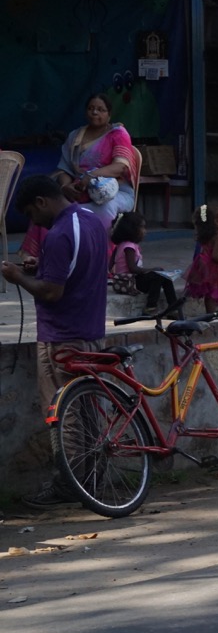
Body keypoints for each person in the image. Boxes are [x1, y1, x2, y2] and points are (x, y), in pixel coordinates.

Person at [1, 175, 108, 509]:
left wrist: (19, 277)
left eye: (33, 215)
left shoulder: (59, 234)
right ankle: (94, 479)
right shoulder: (92, 221)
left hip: (62, 336)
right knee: (88, 410)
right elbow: (76, 270)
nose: (34, 223)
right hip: (90, 331)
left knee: (65, 416)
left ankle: (70, 484)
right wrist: (41, 265)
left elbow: (52, 291)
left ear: (42, 202)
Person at [53, 93, 140, 226]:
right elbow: (64, 169)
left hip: (115, 192)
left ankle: (100, 246)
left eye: (100, 110)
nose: (94, 112)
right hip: (79, 192)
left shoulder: (118, 134)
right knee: (49, 205)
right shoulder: (75, 136)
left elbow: (120, 167)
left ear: (109, 114)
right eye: (90, 108)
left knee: (104, 209)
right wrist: (65, 186)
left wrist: (91, 176)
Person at [109, 212, 178, 314]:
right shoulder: (129, 247)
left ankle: (174, 307)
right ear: (131, 229)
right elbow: (133, 268)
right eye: (142, 227)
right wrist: (152, 270)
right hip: (129, 282)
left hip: (128, 281)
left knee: (165, 278)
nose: (145, 231)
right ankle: (151, 306)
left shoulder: (121, 245)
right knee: (157, 276)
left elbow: (110, 265)